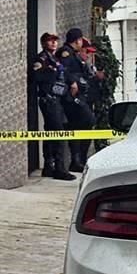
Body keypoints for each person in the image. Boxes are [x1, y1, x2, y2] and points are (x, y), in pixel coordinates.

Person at [28, 32, 75, 180]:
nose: (54, 43)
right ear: (44, 43)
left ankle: (49, 166)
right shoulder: (41, 59)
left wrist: (71, 81)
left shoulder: (55, 59)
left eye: (55, 40)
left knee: (50, 133)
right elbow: (35, 77)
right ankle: (60, 169)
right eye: (50, 41)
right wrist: (51, 72)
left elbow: (65, 73)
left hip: (57, 100)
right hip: (48, 100)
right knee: (58, 133)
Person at [59, 28, 97, 172]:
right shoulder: (66, 53)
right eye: (81, 39)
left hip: (79, 96)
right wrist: (72, 82)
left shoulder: (73, 55)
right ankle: (76, 159)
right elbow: (62, 68)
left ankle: (79, 159)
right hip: (71, 97)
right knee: (87, 120)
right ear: (77, 40)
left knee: (82, 126)